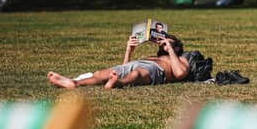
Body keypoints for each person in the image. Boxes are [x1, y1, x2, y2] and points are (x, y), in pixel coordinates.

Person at [47, 34, 190, 89]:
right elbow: (124, 67)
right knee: (101, 73)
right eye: (162, 43)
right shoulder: (154, 55)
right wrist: (129, 50)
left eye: (168, 43)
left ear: (177, 47)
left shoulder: (181, 59)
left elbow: (180, 74)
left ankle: (118, 84)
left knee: (136, 74)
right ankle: (74, 83)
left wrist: (171, 49)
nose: (164, 45)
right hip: (137, 63)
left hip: (155, 70)